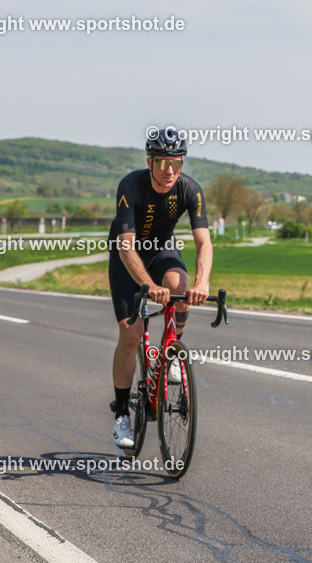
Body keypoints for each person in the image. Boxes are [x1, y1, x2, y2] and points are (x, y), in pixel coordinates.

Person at [108, 127, 213, 449]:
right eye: (164, 163)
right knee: (131, 335)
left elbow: (204, 242)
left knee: (181, 289)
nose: (170, 171)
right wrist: (148, 285)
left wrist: (202, 282)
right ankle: (121, 413)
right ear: (149, 162)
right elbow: (126, 246)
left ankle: (172, 351)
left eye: (176, 163)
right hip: (128, 255)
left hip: (162, 249)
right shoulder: (131, 185)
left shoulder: (190, 189)